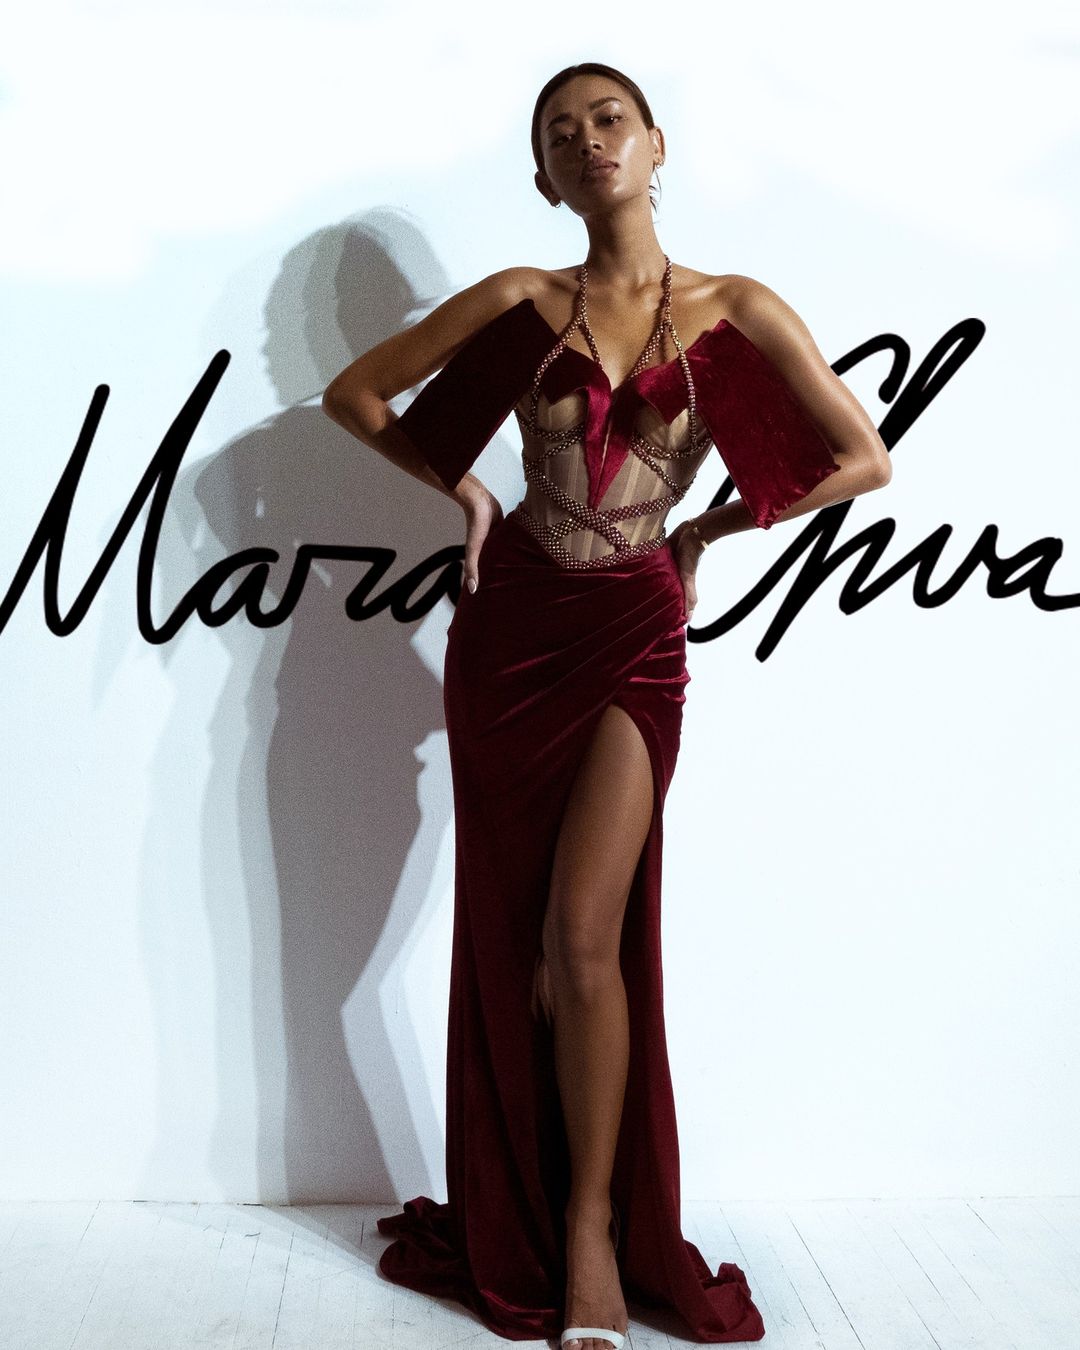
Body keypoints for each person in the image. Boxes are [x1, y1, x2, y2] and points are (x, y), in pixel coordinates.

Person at [322, 62, 892, 1350]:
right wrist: (467, 491)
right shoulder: (522, 301)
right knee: (517, 932)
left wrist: (709, 530)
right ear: (544, 178)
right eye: (561, 134)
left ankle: (590, 1231)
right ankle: (532, 1208)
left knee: (585, 931)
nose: (589, 142)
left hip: (637, 632)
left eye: (609, 120)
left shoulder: (735, 310)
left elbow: (861, 457)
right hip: (513, 633)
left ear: (656, 144)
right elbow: (357, 398)